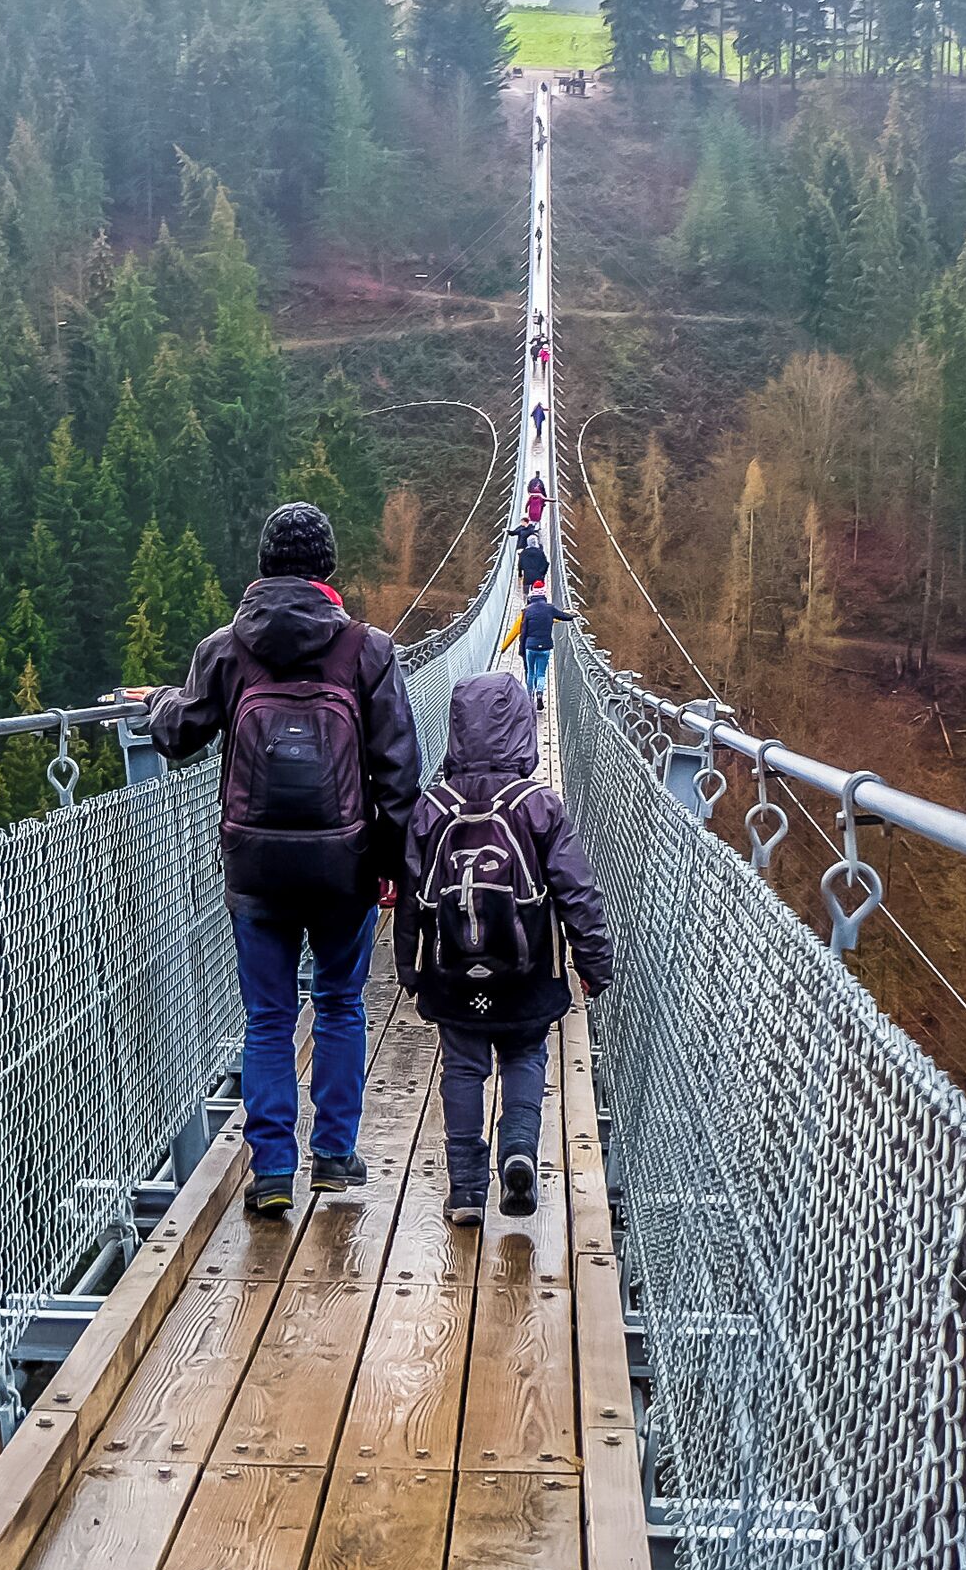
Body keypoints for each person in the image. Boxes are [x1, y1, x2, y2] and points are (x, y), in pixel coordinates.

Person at [140, 501, 421, 1219]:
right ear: (328, 568)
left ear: (263, 566)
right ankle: (332, 1154)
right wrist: (391, 863)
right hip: (344, 864)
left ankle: (270, 1170)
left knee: (267, 1018)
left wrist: (158, 702)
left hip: (256, 867)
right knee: (338, 1002)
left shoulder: (228, 647)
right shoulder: (369, 650)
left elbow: (180, 735)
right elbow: (396, 772)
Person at [398, 673, 612, 1224]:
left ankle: (466, 1191)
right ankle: (518, 1150)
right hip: (528, 968)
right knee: (524, 1055)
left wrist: (408, 966)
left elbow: (411, 895)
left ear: (454, 732)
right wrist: (592, 960)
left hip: (452, 971)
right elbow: (575, 888)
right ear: (523, 730)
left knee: (463, 1068)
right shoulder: (538, 804)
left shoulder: (432, 805)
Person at [517, 586, 578, 694]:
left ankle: (529, 695)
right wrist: (572, 615)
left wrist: (521, 648)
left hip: (530, 646)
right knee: (541, 673)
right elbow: (563, 616)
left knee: (531, 672)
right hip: (546, 646)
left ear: (532, 596)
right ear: (544, 596)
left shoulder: (527, 610)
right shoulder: (550, 608)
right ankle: (540, 693)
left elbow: (524, 631)